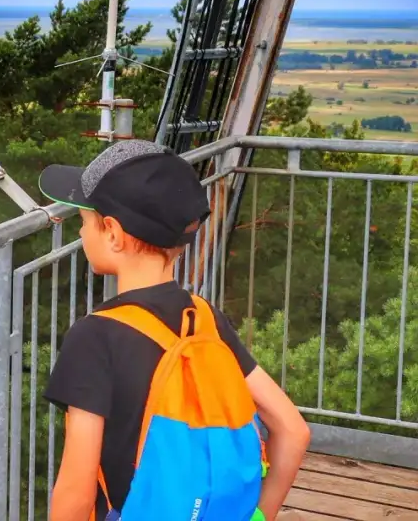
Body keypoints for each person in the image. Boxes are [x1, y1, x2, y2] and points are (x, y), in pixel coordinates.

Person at [39, 139, 310, 521]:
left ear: (113, 234)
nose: (81, 234)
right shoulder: (203, 317)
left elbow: (76, 492)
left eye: (84, 221)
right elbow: (293, 430)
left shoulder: (94, 336)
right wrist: (259, 516)